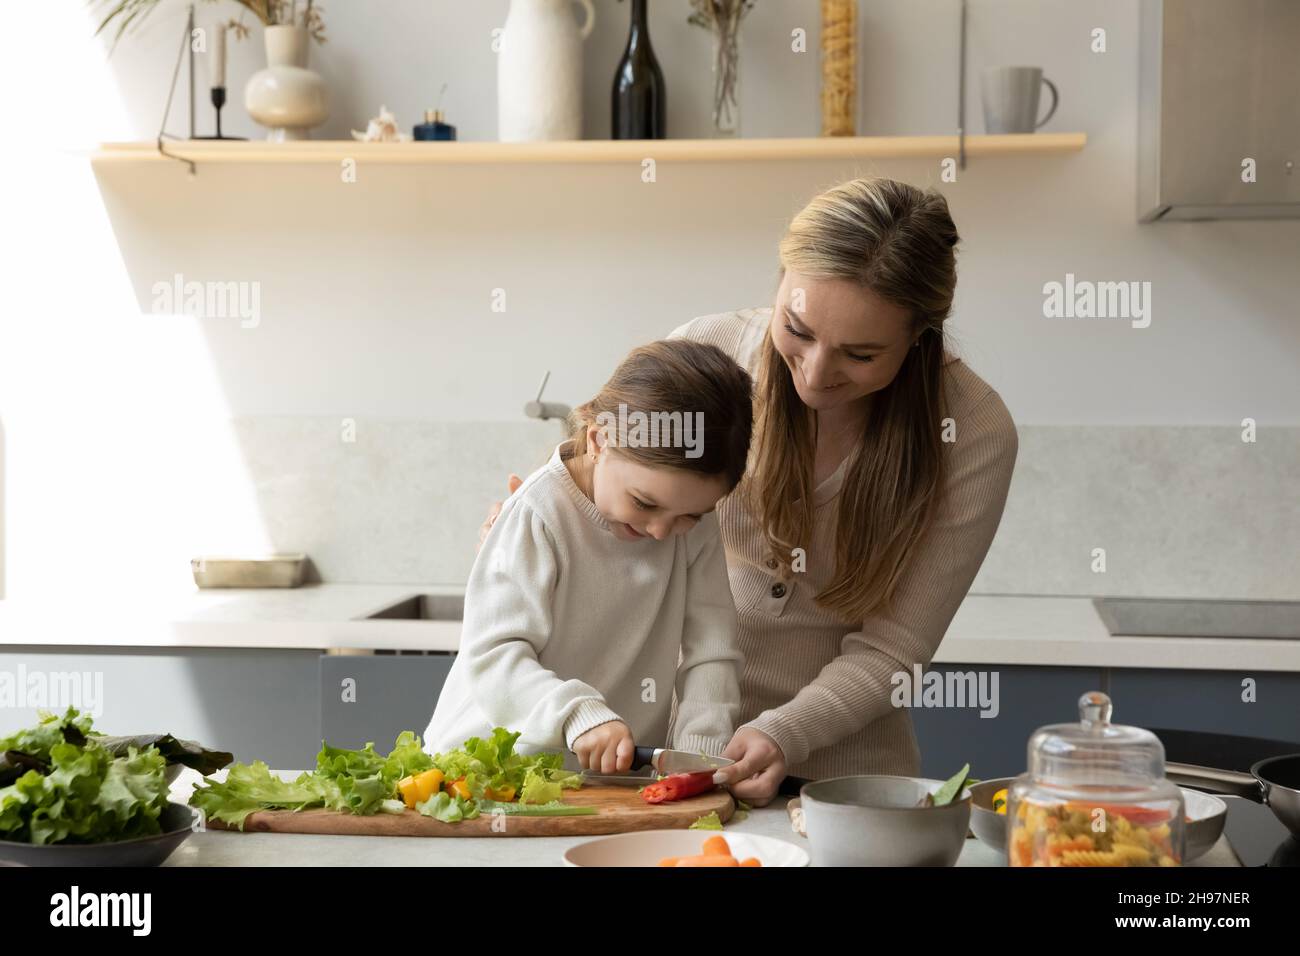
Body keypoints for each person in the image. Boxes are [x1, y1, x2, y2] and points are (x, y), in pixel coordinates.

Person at [427, 339, 754, 775]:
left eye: (689, 516)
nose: (661, 531)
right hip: (484, 773)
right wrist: (578, 716)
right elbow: (493, 658)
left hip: (598, 784)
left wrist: (695, 763)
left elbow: (711, 652)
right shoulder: (538, 512)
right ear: (600, 440)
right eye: (644, 503)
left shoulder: (693, 524)